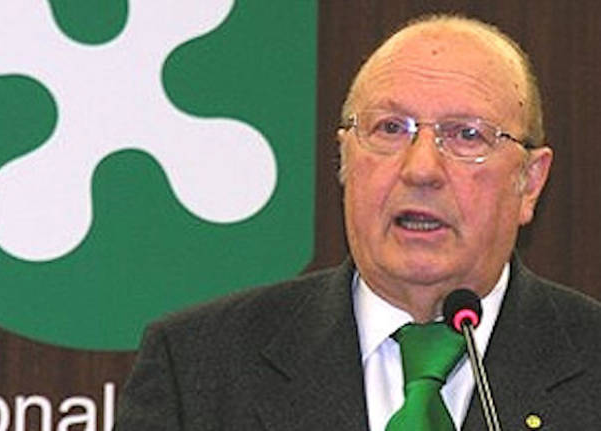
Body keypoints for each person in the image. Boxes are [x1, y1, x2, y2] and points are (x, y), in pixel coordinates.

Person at [114, 14, 601, 431]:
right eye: (390, 128)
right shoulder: (196, 369)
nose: (421, 170)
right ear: (345, 158)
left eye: (467, 135)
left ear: (529, 182)